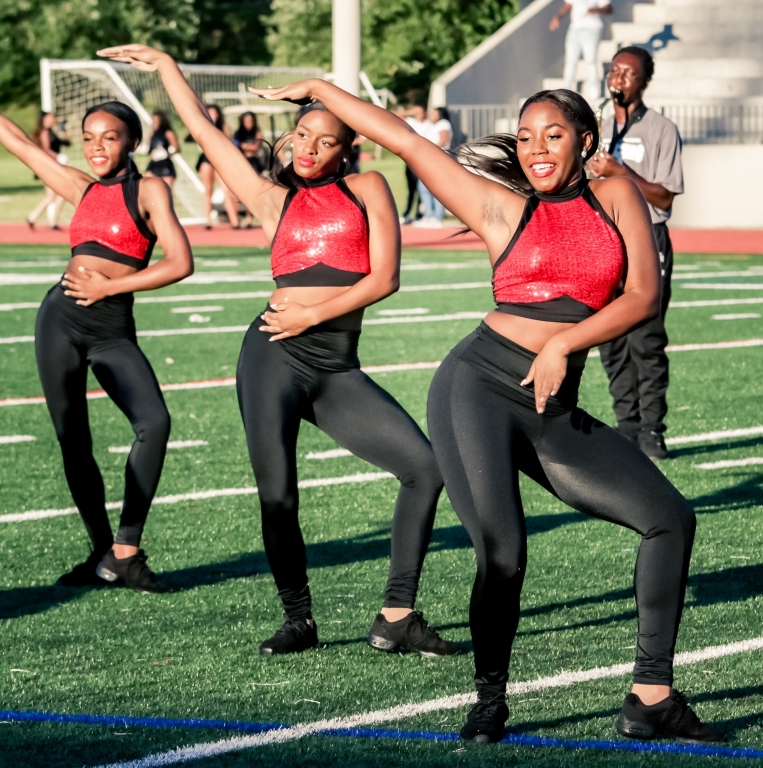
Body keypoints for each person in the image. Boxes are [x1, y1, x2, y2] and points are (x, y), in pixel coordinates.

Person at [251, 78, 722, 743]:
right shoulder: (500, 208)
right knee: (503, 553)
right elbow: (402, 139)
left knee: (669, 519)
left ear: (585, 140)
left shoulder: (615, 193)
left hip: (550, 403)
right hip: (477, 387)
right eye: (525, 136)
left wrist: (564, 340)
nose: (536, 148)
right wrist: (325, 90)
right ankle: (490, 700)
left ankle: (651, 697)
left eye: (553, 135)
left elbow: (643, 295)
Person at [99, 43, 458, 659]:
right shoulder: (273, 200)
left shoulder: (369, 186)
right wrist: (166, 69)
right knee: (279, 494)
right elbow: (206, 134)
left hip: (334, 362)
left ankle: (396, 615)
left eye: (324, 139)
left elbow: (385, 279)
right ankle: (299, 618)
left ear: (348, 148)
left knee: (424, 468)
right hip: (271, 356)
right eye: (300, 136)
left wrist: (315, 312)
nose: (308, 148)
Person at [0, 90, 194, 592]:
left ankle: (126, 551)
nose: (96, 147)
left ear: (131, 140)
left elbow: (180, 262)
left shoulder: (150, 190)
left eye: (109, 138)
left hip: (111, 327)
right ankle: (100, 553)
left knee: (154, 421)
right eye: (88, 138)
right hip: (59, 320)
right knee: (74, 440)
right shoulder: (81, 187)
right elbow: (18, 142)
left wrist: (109, 285)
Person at [587, 46, 683, 460]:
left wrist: (619, 173)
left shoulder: (662, 129)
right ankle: (626, 428)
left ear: (645, 80)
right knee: (611, 339)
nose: (619, 78)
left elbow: (665, 196)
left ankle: (652, 430)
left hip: (648, 239)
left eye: (629, 73)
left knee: (646, 339)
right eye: (615, 70)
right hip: (607, 240)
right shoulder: (599, 127)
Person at [550, 1, 613, 99]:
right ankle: (566, 89)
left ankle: (594, 89)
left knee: (591, 60)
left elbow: (609, 9)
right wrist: (557, 17)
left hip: (592, 28)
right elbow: (568, 6)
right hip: (575, 29)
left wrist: (595, 10)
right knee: (570, 60)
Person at [194, 104, 240, 229]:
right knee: (208, 189)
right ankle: (208, 221)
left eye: (214, 113)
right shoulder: (202, 126)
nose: (213, 116)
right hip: (206, 159)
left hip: (219, 159)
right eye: (210, 113)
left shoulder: (224, 128)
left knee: (227, 189)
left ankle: (234, 221)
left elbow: (227, 144)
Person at [26, 111, 70, 230]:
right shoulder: (44, 132)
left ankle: (40, 219)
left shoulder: (52, 132)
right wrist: (58, 157)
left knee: (60, 194)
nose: (54, 118)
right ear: (45, 118)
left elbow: (68, 143)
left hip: (55, 166)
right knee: (54, 195)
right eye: (52, 117)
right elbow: (45, 150)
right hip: (49, 167)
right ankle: (36, 218)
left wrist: (64, 131)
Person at [414, 107, 453, 228]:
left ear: (440, 114)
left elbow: (443, 139)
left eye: (434, 113)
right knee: (423, 187)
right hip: (429, 158)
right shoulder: (432, 125)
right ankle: (429, 215)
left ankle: (437, 217)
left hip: (438, 158)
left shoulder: (443, 124)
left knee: (436, 188)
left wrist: (430, 149)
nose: (431, 115)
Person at [146, 109, 180, 189]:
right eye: (153, 121)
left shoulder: (169, 133)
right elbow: (149, 149)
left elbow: (177, 148)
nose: (155, 123)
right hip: (153, 164)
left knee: (167, 190)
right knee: (147, 185)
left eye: (157, 121)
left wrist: (167, 153)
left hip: (165, 164)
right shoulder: (152, 134)